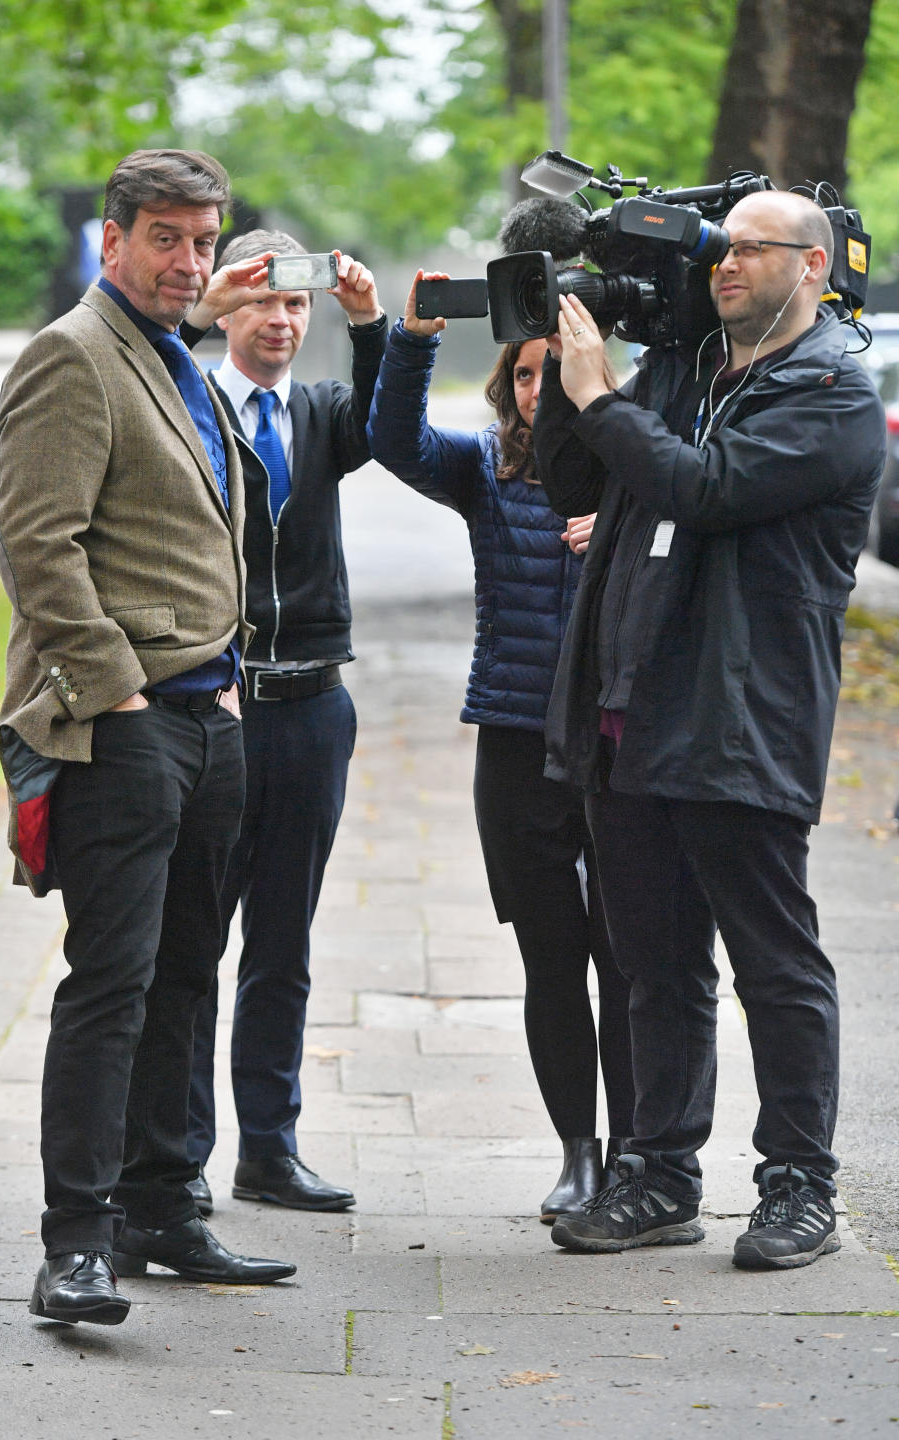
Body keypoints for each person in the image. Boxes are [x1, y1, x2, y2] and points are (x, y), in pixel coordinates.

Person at [532, 190, 886, 1267]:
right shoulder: (686, 369)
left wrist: (601, 397)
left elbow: (708, 486)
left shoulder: (832, 391)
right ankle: (659, 1175)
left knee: (774, 961)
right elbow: (574, 475)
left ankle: (798, 1188)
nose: (723, 263)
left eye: (748, 248)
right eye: (718, 249)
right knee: (655, 963)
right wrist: (564, 372)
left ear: (814, 265)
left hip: (742, 715)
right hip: (629, 708)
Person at [0, 149, 296, 1328]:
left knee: (184, 975)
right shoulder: (71, 356)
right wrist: (118, 692)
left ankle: (163, 1207)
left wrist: (214, 691)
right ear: (112, 242)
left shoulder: (173, 355)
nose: (189, 262)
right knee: (111, 985)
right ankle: (75, 1242)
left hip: (207, 714)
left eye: (204, 240)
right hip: (121, 727)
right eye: (166, 238)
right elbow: (40, 550)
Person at [367, 271, 635, 1221]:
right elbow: (391, 442)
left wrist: (623, 533)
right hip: (519, 743)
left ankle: (643, 1156)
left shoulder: (638, 471)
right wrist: (411, 340)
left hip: (617, 745)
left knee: (630, 954)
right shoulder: (491, 470)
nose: (539, 388)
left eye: (556, 369)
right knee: (552, 956)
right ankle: (580, 1153)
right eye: (525, 374)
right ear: (507, 387)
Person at [176, 228, 387, 1215]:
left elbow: (398, 426)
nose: (280, 318)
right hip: (213, 710)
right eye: (261, 299)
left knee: (283, 941)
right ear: (226, 309)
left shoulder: (324, 413)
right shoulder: (184, 401)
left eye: (296, 304)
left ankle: (270, 1145)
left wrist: (373, 324)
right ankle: (173, 1158)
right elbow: (133, 352)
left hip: (310, 708)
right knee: (190, 940)